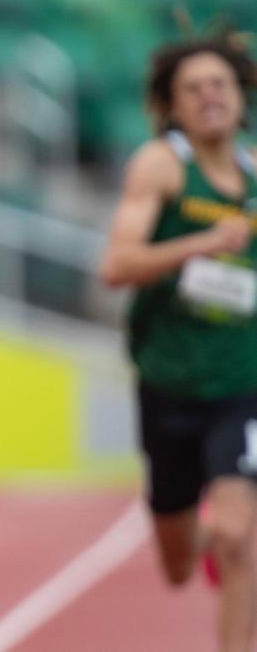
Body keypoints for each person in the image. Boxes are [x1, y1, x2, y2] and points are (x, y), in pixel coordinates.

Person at [100, 32, 257, 652]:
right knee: (178, 563)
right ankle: (203, 539)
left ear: (239, 97)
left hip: (242, 383)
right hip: (169, 382)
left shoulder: (254, 175)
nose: (209, 97)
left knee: (240, 535)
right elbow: (116, 265)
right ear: (174, 106)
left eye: (219, 84)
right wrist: (200, 243)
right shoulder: (162, 166)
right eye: (193, 89)